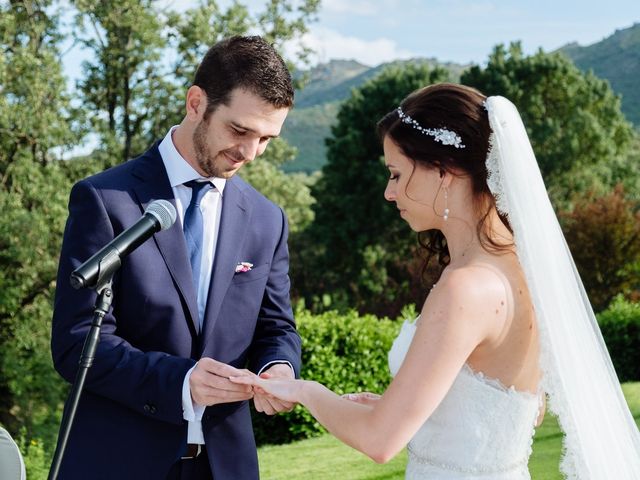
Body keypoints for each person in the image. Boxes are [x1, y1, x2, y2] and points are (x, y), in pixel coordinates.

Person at [231, 83, 640, 479]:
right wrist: (404, 410)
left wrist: (305, 391)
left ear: (442, 172)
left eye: (395, 173)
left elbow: (380, 440)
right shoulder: (523, 266)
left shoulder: (466, 287)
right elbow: (517, 410)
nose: (389, 193)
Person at [51, 35, 302, 480]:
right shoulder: (105, 199)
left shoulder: (268, 220)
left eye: (266, 139)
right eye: (240, 130)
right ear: (196, 103)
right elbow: (76, 343)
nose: (250, 153)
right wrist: (182, 382)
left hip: (226, 465)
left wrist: (277, 366)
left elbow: (276, 327)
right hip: (118, 462)